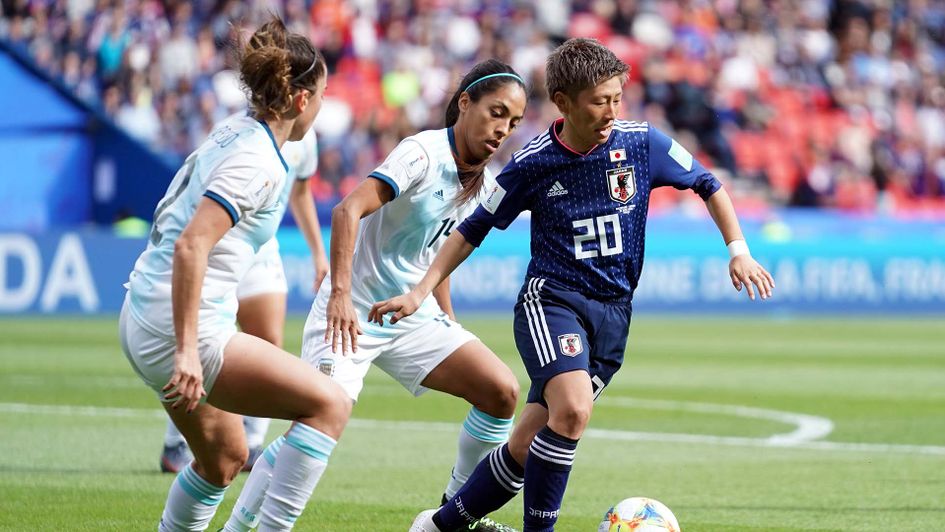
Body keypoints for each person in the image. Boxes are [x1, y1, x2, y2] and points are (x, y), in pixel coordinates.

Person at [370, 38, 776, 532]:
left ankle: (437, 527)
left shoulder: (641, 143)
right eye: (599, 101)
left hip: (614, 315)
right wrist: (421, 290)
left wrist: (738, 250)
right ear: (563, 102)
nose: (611, 111)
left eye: (617, 98)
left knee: (527, 445)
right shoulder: (533, 163)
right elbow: (471, 229)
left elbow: (708, 184)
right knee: (574, 412)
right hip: (553, 303)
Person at [221, 59, 528, 532]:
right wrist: (340, 295)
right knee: (318, 422)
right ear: (465, 103)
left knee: (500, 391)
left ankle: (453, 517)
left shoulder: (484, 181)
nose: (503, 129)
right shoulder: (422, 153)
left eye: (514, 121)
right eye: (497, 112)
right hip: (353, 313)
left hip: (409, 314)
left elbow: (439, 253)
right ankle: (242, 528)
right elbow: (347, 210)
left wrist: (447, 317)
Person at [118, 18, 350, 531]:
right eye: (321, 96)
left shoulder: (235, 132)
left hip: (143, 310)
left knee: (224, 458)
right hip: (180, 328)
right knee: (329, 404)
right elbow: (191, 244)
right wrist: (186, 350)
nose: (321, 106)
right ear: (301, 100)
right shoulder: (258, 161)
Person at [160, 126, 329, 474]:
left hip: (262, 247)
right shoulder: (239, 131)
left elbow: (300, 194)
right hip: (221, 243)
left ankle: (252, 441)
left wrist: (317, 252)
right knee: (201, 342)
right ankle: (176, 440)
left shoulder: (307, 140)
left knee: (268, 340)